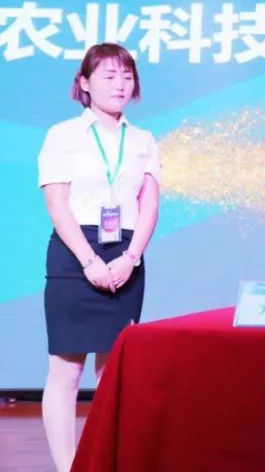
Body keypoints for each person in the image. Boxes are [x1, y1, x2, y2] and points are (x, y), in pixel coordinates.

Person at [38, 43, 161, 472]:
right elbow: (57, 204)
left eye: (127, 76)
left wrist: (131, 256)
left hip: (126, 255)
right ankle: (67, 466)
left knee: (113, 374)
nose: (120, 84)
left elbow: (149, 206)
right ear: (85, 83)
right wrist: (89, 260)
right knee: (66, 371)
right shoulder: (62, 135)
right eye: (109, 76)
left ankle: (104, 461)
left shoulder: (143, 140)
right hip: (75, 254)